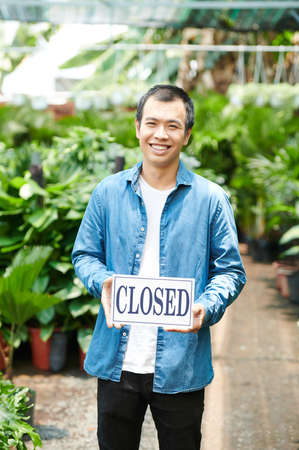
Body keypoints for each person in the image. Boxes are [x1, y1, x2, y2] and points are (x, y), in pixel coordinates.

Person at [72, 84, 246, 450]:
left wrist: (206, 305)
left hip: (181, 365)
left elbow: (231, 271)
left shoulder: (211, 200)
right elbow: (84, 255)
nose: (160, 135)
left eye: (172, 125)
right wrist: (103, 282)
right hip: (117, 363)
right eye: (152, 123)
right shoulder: (107, 193)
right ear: (137, 127)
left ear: (187, 135)